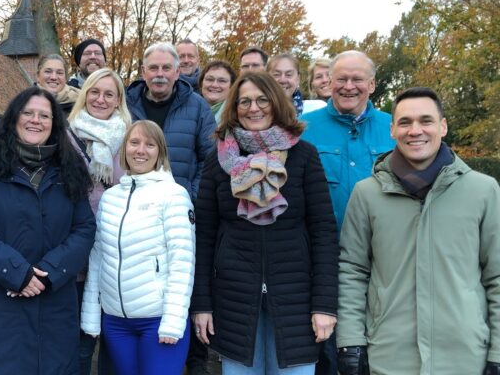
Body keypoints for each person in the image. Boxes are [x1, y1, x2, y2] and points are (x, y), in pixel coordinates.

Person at [337, 87, 500, 374]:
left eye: (426, 120)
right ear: (392, 130)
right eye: (405, 122)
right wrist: (351, 343)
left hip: (464, 356)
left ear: (443, 126)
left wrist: (497, 351)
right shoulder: (367, 194)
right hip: (389, 356)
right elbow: (352, 271)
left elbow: (496, 275)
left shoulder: (483, 191)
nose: (415, 131)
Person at [192, 72, 338, 374]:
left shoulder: (304, 156)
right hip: (233, 300)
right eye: (244, 101)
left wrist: (324, 306)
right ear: (234, 107)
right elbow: (204, 237)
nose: (253, 108)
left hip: (296, 299)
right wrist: (202, 305)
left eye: (262, 100)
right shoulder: (217, 160)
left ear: (276, 103)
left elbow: (323, 232)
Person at [0, 86, 96, 374]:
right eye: (28, 113)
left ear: (55, 123)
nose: (35, 120)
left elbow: (84, 227)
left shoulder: (70, 168)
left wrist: (48, 272)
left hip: (53, 303)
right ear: (14, 117)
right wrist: (17, 272)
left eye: (44, 115)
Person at [299, 50, 394, 375]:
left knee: (378, 352)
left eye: (357, 80)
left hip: (385, 264)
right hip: (324, 265)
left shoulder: (394, 128)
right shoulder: (304, 129)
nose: (348, 86)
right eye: (341, 79)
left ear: (372, 84)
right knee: (327, 354)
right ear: (329, 82)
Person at [82, 120, 195, 375]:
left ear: (160, 152)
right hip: (116, 322)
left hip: (158, 321)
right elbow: (98, 258)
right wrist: (91, 317)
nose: (140, 150)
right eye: (134, 143)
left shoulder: (174, 195)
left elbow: (182, 261)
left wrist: (173, 321)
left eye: (149, 144)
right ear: (124, 150)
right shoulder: (110, 198)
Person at [67, 67, 132, 375]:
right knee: (80, 339)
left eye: (109, 94)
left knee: (114, 341)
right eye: (94, 91)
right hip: (76, 249)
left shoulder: (132, 138)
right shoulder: (66, 134)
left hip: (117, 253)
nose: (101, 99)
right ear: (85, 94)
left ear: (119, 100)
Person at [126, 42, 216, 199]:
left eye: (166, 68)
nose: (160, 74)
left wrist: (191, 196)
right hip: (132, 202)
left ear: (177, 72)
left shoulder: (198, 106)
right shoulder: (127, 104)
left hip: (180, 203)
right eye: (153, 68)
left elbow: (210, 159)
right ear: (143, 72)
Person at [199, 60, 236, 124]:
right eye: (210, 79)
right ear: (201, 83)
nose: (214, 85)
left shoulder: (237, 116)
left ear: (231, 86)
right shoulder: (188, 111)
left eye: (222, 81)